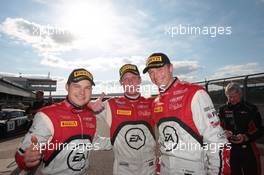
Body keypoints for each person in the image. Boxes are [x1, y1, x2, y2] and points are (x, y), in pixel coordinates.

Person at [143, 52, 230, 175]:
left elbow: (217, 141)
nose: (155, 75)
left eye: (159, 69)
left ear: (171, 68)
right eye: (151, 72)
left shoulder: (195, 93)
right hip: (165, 168)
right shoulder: (156, 102)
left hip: (193, 168)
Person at [15, 68, 111, 175]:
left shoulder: (90, 114)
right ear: (67, 87)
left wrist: (116, 140)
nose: (82, 92)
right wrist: (26, 159)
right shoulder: (47, 115)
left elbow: (92, 142)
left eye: (87, 88)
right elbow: (21, 156)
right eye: (77, 86)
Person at [89, 64, 157, 175]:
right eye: (126, 79)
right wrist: (89, 105)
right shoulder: (112, 104)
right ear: (121, 83)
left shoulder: (152, 103)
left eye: (134, 78)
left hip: (149, 167)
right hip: (123, 169)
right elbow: (81, 116)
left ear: (139, 80)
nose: (130, 82)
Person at [218, 82, 263, 175]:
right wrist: (223, 132)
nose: (232, 99)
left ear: (240, 94)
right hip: (229, 149)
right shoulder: (222, 109)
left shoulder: (251, 108)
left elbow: (260, 129)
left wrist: (245, 137)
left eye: (235, 96)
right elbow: (217, 127)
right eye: (229, 97)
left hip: (248, 148)